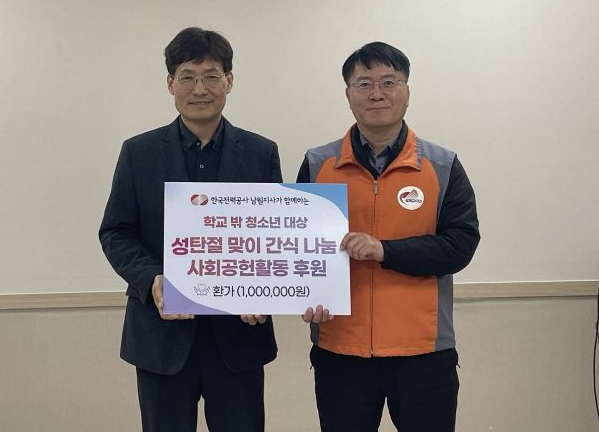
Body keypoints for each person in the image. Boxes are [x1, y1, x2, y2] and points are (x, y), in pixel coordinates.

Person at [99, 27, 281, 432]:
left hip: (238, 338)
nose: (200, 89)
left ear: (229, 81)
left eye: (211, 76)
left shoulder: (260, 153)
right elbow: (116, 232)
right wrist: (153, 278)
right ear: (170, 83)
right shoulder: (139, 153)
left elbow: (272, 238)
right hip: (161, 339)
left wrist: (263, 289)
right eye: (187, 76)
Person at [298, 41, 480, 432]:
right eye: (364, 84)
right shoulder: (318, 164)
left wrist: (385, 250)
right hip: (340, 350)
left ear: (407, 91)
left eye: (388, 82)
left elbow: (460, 246)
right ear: (348, 95)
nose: (376, 93)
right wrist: (306, 295)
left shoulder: (443, 166)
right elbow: (301, 248)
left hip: (424, 352)